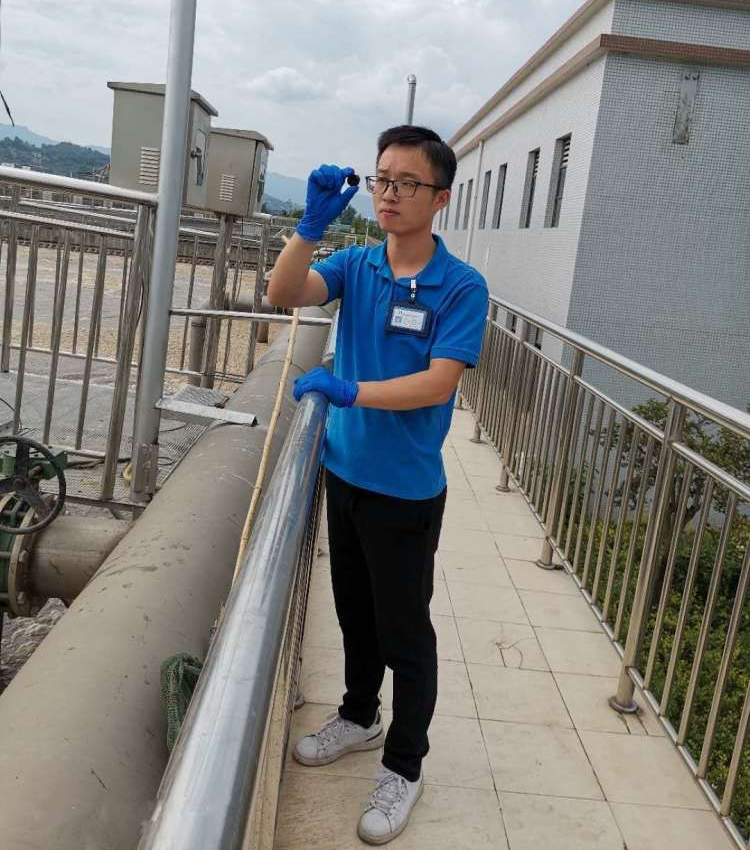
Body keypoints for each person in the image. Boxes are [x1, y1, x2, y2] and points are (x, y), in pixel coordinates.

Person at [267, 125, 488, 845]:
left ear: (440, 198)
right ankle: (359, 717)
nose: (389, 194)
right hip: (344, 473)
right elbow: (283, 292)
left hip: (405, 491)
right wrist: (308, 229)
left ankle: (404, 766)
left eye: (407, 183)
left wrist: (350, 390)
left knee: (405, 634)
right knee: (354, 615)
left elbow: (437, 383)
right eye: (381, 179)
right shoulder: (357, 263)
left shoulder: (461, 286)